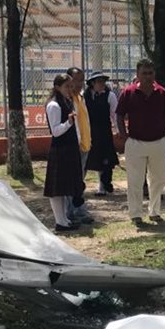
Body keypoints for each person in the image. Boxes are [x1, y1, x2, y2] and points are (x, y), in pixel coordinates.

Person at [115, 58, 165, 226]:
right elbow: (119, 115)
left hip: (159, 143)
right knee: (134, 180)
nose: (148, 76)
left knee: (158, 179)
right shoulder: (128, 92)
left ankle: (154, 211)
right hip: (135, 143)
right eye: (144, 73)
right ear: (137, 75)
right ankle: (135, 214)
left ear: (154, 74)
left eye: (151, 73)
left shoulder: (162, 93)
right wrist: (124, 136)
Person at [43, 74, 85, 233]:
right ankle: (60, 221)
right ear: (57, 87)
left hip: (69, 148)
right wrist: (68, 123)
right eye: (67, 86)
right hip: (60, 149)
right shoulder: (54, 105)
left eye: (71, 86)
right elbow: (55, 131)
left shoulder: (67, 102)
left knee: (64, 186)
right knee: (56, 188)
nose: (70, 89)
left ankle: (64, 220)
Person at [83, 70, 120, 196]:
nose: (102, 84)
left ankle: (103, 186)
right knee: (85, 159)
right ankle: (78, 186)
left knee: (104, 160)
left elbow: (114, 115)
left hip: (104, 131)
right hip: (88, 131)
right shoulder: (84, 95)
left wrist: (118, 130)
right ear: (92, 83)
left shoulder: (110, 96)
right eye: (99, 81)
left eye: (103, 81)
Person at [65, 67, 94, 224]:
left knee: (80, 181)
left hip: (85, 145)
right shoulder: (66, 100)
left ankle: (78, 209)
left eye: (81, 80)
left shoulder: (81, 98)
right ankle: (71, 212)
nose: (79, 84)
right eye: (76, 80)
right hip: (73, 147)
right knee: (72, 181)